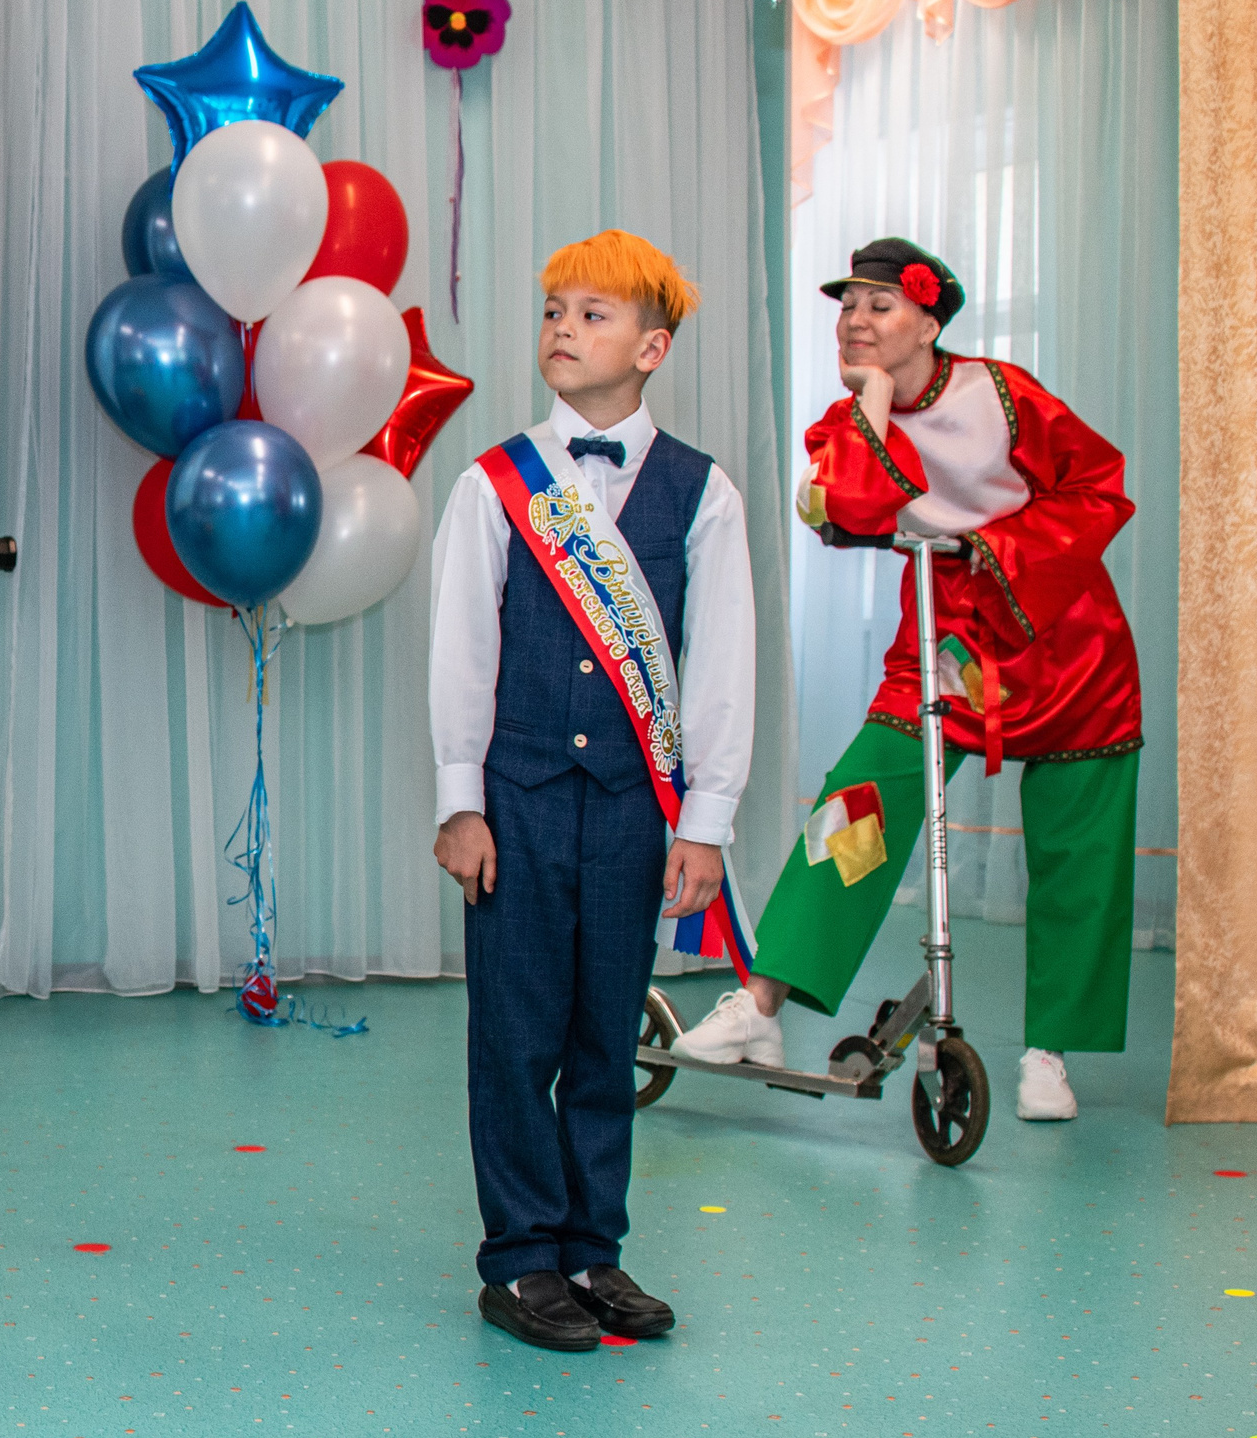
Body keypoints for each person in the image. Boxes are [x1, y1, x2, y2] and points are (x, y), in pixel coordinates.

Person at [672, 239, 1141, 1124]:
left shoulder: (1005, 393)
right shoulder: (845, 422)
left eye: (880, 306)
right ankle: (760, 1006)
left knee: (1079, 856)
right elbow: (844, 512)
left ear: (931, 322)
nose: (855, 319)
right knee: (855, 812)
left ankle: (1051, 1051)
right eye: (848, 306)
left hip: (1066, 639)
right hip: (947, 641)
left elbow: (1100, 485)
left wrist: (997, 550)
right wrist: (875, 401)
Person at [430, 232, 756, 1352]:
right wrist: (458, 799)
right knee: (515, 1036)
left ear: (653, 347)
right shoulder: (493, 484)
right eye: (554, 310)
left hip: (633, 809)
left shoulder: (701, 493)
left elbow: (721, 669)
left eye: (594, 314)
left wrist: (704, 822)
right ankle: (519, 1256)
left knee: (604, 1038)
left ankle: (591, 1249)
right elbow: (462, 650)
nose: (564, 329)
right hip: (515, 799)